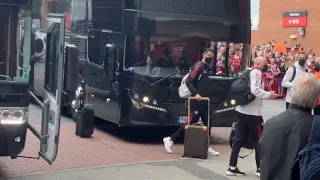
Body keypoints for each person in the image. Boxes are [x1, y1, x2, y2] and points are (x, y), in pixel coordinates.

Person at [259, 74, 320, 180]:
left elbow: (261, 157)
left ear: (292, 93)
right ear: (316, 98)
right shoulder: (316, 126)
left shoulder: (271, 123)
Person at [225, 57, 279, 177]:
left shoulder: (247, 71)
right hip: (253, 114)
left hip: (241, 110)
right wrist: (268, 95)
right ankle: (260, 168)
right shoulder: (257, 72)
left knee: (238, 139)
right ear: (258, 64)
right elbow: (255, 90)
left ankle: (231, 167)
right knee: (259, 140)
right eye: (265, 63)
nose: (267, 66)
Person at [163, 49, 220, 156]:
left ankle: (206, 146)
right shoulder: (198, 66)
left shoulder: (206, 68)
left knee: (208, 123)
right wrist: (196, 94)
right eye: (208, 55)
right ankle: (170, 139)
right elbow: (189, 81)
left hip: (204, 101)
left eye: (211, 56)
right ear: (203, 55)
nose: (210, 57)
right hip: (197, 101)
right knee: (190, 121)